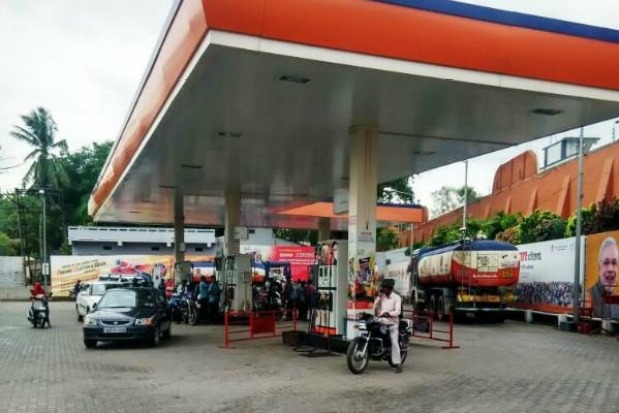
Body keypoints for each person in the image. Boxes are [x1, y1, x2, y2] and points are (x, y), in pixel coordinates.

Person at [373, 278, 403, 373]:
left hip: (392, 323)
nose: (382, 289)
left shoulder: (397, 298)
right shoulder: (382, 296)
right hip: (382, 320)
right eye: (382, 287)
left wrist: (389, 314)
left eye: (384, 287)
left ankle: (398, 364)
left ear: (389, 288)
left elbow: (398, 311)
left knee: (394, 342)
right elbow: (375, 306)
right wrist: (378, 297)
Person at [590, 237, 619, 318]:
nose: (610, 269)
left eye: (614, 263)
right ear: (599, 267)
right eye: (606, 263)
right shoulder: (589, 296)